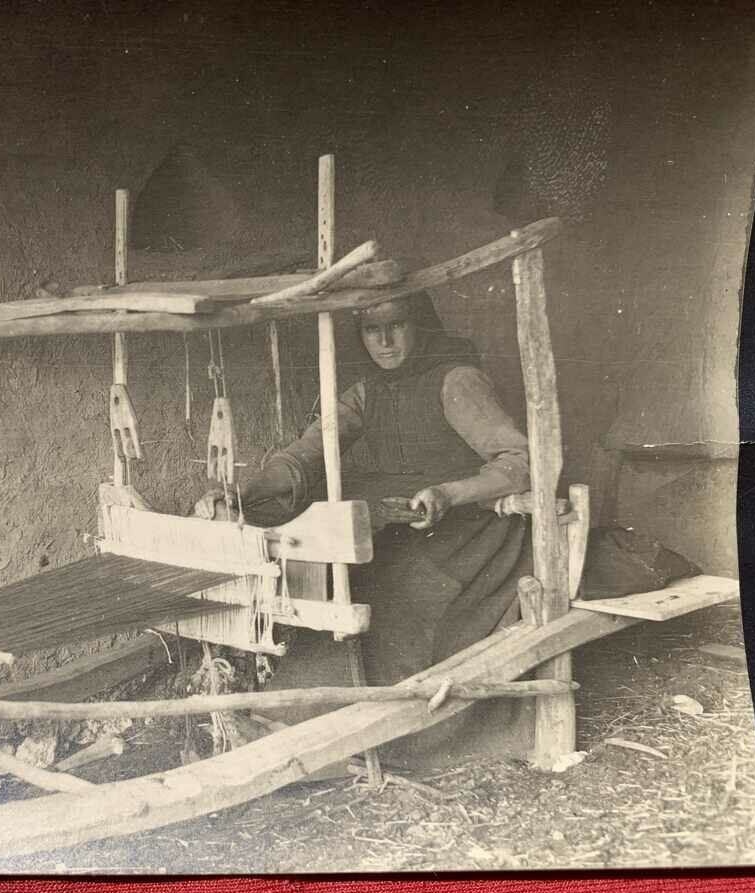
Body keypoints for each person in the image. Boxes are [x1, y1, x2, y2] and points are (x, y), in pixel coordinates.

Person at [194, 290, 535, 764]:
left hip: (473, 530)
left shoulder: (456, 381)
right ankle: (316, 719)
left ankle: (394, 734)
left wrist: (448, 494)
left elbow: (519, 462)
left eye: (397, 325)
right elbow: (304, 456)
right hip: (407, 525)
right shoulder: (366, 391)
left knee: (400, 592)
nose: (386, 340)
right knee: (352, 580)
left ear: (420, 325)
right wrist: (244, 495)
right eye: (372, 330)